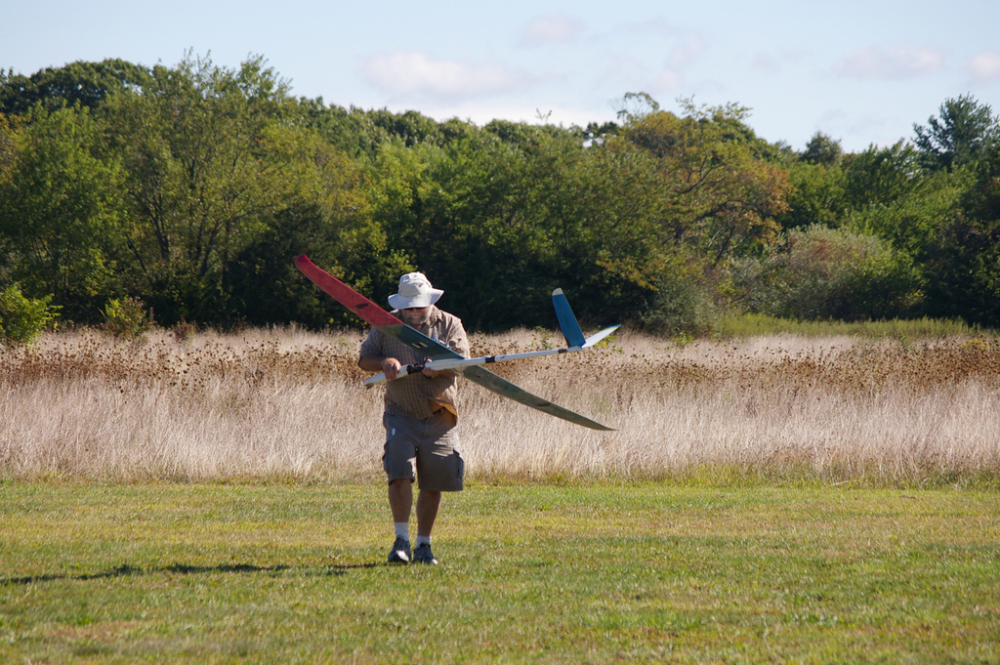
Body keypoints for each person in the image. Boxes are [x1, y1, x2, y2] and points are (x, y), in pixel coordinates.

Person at [358, 272, 470, 565]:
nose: (414, 312)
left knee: (433, 482)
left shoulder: (450, 324)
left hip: (439, 414)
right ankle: (400, 542)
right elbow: (364, 358)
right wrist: (385, 362)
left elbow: (462, 363)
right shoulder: (386, 325)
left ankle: (424, 545)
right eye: (409, 307)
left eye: (419, 306)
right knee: (399, 473)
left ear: (429, 301)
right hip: (400, 413)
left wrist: (440, 367)